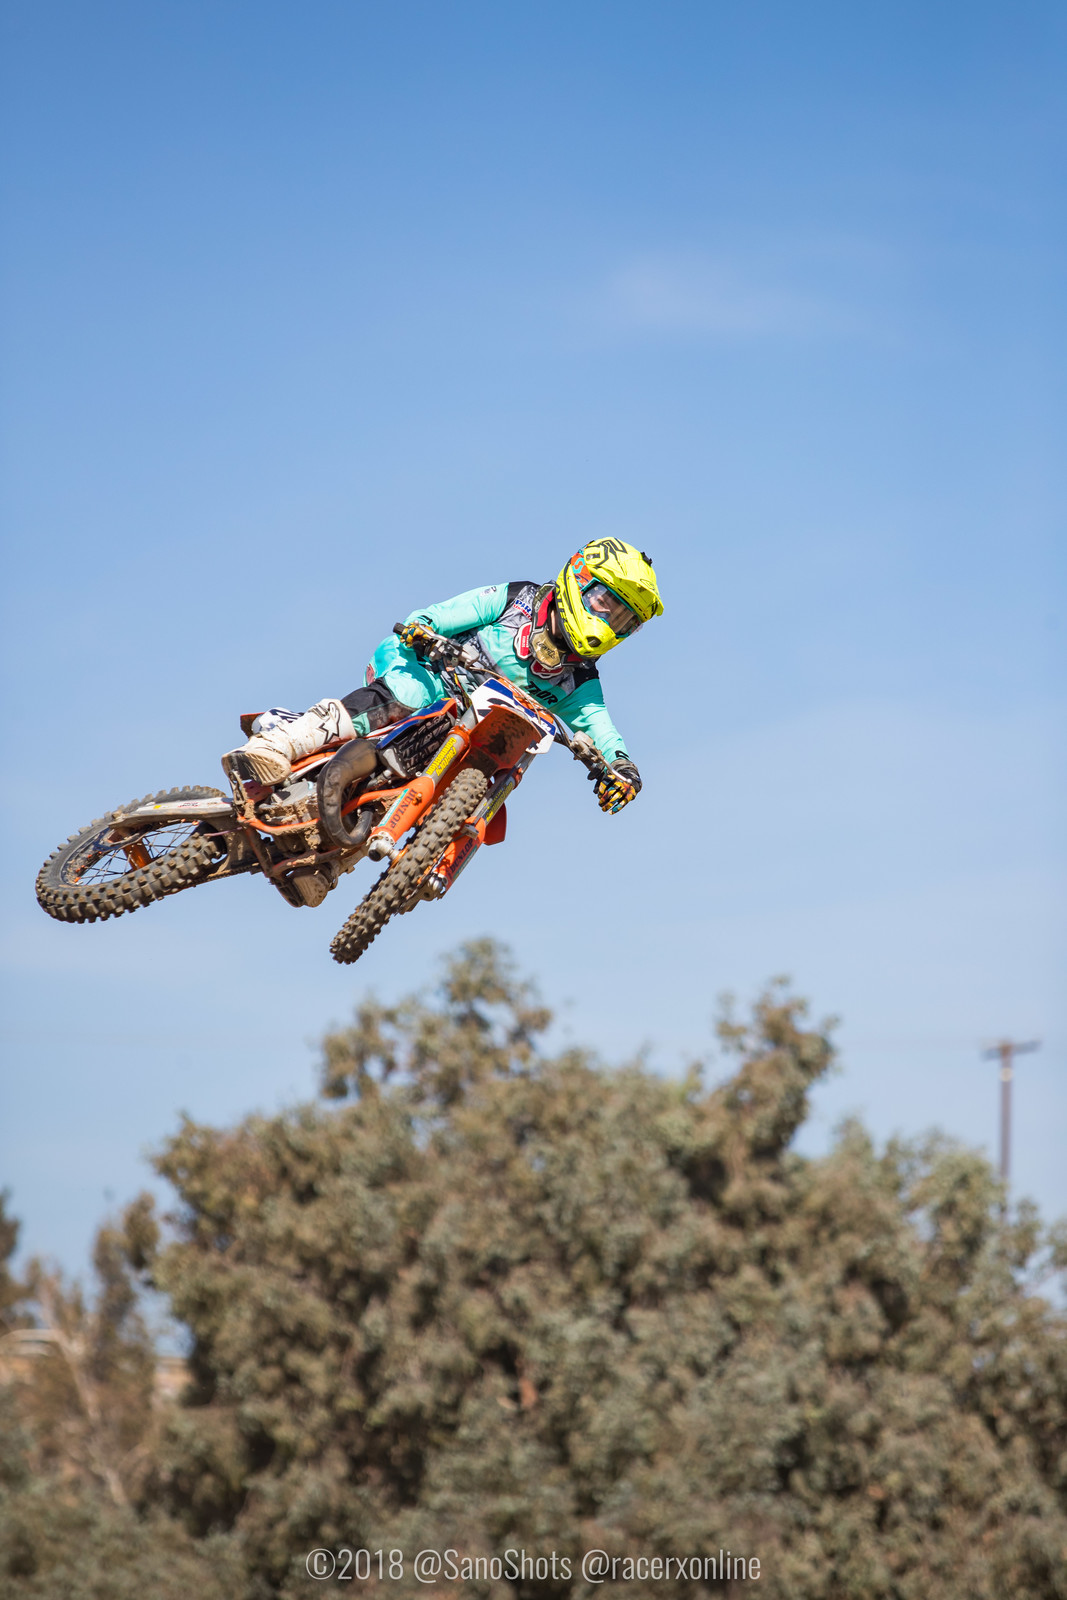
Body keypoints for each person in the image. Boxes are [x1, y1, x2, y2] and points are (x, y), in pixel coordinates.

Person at [222, 538, 663, 814]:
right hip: (427, 668)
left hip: (469, 729)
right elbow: (447, 613)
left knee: (483, 772)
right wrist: (424, 629)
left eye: (624, 619)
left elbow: (601, 728)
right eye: (607, 603)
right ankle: (277, 744)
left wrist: (622, 769)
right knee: (411, 695)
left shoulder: (579, 680)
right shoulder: (518, 600)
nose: (611, 621)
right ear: (581, 578)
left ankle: (340, 851)